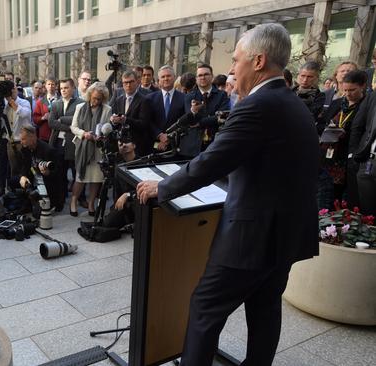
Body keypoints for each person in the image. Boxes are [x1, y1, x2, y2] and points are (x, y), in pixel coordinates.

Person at [136, 24, 319, 365]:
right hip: (287, 234)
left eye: (236, 61)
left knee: (205, 307)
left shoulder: (256, 105)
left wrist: (162, 187)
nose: (232, 70)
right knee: (265, 307)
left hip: (251, 236)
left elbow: (210, 162)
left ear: (259, 60)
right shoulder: (293, 103)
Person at [318, 70, 367, 209]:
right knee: (325, 198)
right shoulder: (338, 103)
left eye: (352, 90)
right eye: (345, 90)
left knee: (342, 202)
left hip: (349, 158)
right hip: (329, 156)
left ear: (362, 86)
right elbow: (322, 122)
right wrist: (329, 129)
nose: (348, 94)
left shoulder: (366, 106)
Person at [70, 82, 112, 216]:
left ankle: (91, 203)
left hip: (98, 149)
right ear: (89, 95)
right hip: (83, 147)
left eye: (99, 99)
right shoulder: (80, 107)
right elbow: (73, 127)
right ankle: (73, 201)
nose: (96, 101)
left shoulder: (107, 109)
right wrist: (84, 134)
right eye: (94, 98)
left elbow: (107, 128)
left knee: (96, 178)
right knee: (80, 178)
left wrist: (102, 135)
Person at [181, 64, 231, 155]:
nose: (203, 77)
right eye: (200, 75)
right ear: (196, 79)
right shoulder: (189, 97)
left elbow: (222, 117)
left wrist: (200, 122)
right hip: (192, 146)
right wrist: (195, 113)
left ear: (212, 76)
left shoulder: (222, 95)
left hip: (214, 144)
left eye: (206, 74)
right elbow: (191, 120)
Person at [19, 124, 65, 211]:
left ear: (32, 137)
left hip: (47, 184)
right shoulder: (25, 149)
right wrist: (23, 176)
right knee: (13, 181)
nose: (21, 142)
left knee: (38, 214)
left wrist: (49, 173)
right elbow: (24, 166)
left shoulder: (48, 150)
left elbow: (59, 173)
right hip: (34, 181)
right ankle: (29, 201)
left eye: (23, 139)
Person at [143, 65, 188, 152]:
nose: (166, 79)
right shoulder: (149, 98)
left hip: (176, 145)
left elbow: (185, 121)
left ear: (174, 77)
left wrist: (169, 138)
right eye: (163, 77)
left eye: (168, 76)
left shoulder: (184, 98)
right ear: (158, 80)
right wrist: (159, 135)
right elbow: (147, 121)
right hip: (154, 145)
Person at [49, 79, 83, 193]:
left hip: (74, 142)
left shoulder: (81, 103)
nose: (63, 90)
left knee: (76, 172)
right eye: (62, 88)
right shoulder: (55, 103)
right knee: (60, 171)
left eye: (66, 88)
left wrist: (62, 119)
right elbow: (51, 123)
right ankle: (61, 196)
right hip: (58, 142)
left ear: (73, 88)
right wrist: (70, 128)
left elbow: (79, 120)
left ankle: (79, 197)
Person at [349, 75, 376, 215]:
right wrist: (354, 153)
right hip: (368, 162)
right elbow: (357, 126)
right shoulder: (373, 97)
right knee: (367, 213)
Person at [110, 70, 153, 156]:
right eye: (125, 82)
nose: (128, 85)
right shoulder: (119, 100)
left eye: (131, 82)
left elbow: (144, 124)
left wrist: (125, 120)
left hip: (137, 147)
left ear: (137, 82)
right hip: (121, 145)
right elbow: (116, 124)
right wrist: (114, 121)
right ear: (122, 84)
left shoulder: (144, 100)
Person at [102, 139, 137, 229]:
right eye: (121, 144)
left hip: (138, 201)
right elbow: (116, 193)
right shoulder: (119, 166)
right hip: (124, 204)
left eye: (127, 142)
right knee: (108, 223)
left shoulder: (143, 163)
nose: (124, 145)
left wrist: (128, 195)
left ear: (134, 145)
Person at [32, 77, 59, 143]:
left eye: (53, 84)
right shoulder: (40, 102)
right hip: (44, 135)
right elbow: (35, 118)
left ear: (56, 86)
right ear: (45, 86)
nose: (50, 86)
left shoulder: (61, 100)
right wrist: (43, 118)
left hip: (58, 135)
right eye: (48, 84)